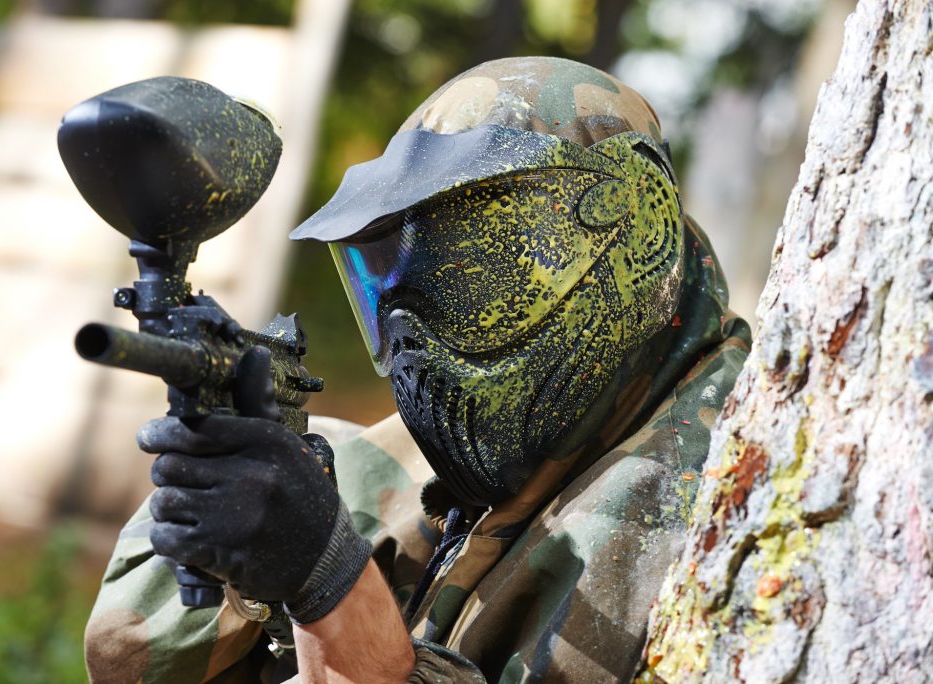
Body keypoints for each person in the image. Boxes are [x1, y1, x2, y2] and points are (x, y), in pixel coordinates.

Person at [84, 56, 751, 683]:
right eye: (387, 285)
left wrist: (331, 586)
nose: (412, 334)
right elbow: (131, 661)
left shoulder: (711, 503)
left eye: (473, 271)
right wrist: (240, 565)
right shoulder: (403, 465)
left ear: (643, 228)